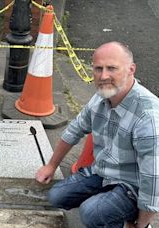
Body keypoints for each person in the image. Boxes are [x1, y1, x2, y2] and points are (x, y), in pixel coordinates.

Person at [35, 41, 159, 228]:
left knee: (91, 213)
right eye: (98, 68)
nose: (103, 76)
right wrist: (51, 166)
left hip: (133, 185)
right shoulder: (102, 95)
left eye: (112, 68)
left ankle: (126, 219)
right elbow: (74, 130)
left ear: (131, 69)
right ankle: (106, 203)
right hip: (103, 172)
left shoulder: (148, 118)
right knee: (56, 196)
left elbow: (153, 180)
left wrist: (142, 225)